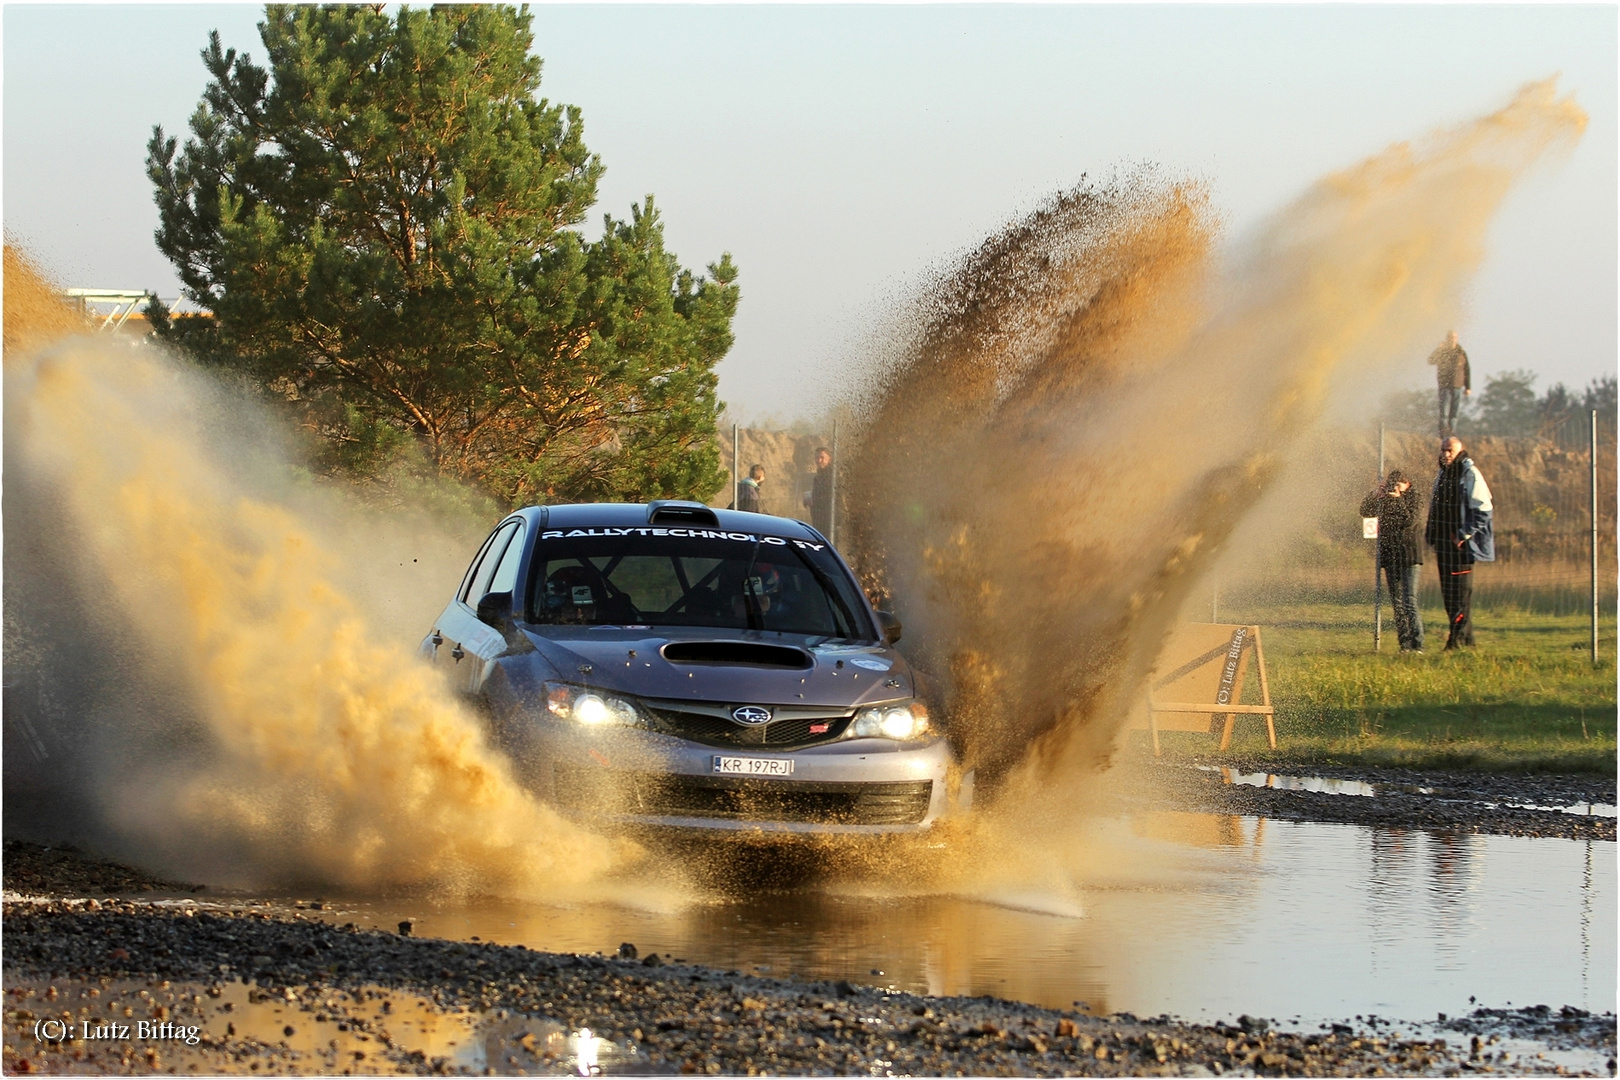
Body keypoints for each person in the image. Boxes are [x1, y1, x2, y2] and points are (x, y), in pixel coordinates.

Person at [1424, 436, 1494, 650]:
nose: (1445, 454)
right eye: (1443, 450)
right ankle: (1468, 641)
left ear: (1459, 451)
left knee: (1460, 595)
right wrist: (1431, 535)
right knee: (1448, 594)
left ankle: (1455, 642)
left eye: (1449, 450)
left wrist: (1463, 534)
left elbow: (1484, 511)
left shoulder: (1470, 474)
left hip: (1461, 548)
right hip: (1443, 545)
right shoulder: (1442, 475)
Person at [1360, 469, 1425, 652]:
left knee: (1409, 600)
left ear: (1407, 483)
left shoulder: (1414, 498)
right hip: (1391, 556)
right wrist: (1375, 495)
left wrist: (1397, 499)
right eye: (1392, 485)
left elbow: (1409, 520)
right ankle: (1404, 645)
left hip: (1410, 556)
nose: (1395, 489)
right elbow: (1365, 512)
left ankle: (1417, 644)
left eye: (1399, 485)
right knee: (1397, 603)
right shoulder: (1385, 498)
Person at [1426, 330, 1471, 436]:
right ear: (1447, 338)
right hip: (1444, 384)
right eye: (1450, 337)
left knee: (1454, 413)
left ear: (1457, 338)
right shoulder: (1442, 351)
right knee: (1444, 412)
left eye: (1454, 337)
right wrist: (1438, 349)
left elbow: (1467, 369)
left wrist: (1468, 387)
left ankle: (1452, 434)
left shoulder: (1461, 352)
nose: (1452, 339)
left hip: (1457, 385)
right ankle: (1443, 434)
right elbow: (1431, 361)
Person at [803, 446, 834, 536]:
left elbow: (831, 498)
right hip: (819, 520)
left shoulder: (831, 476)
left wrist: (813, 500)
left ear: (829, 459)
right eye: (817, 458)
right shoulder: (819, 476)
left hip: (828, 521)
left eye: (822, 457)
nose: (819, 460)